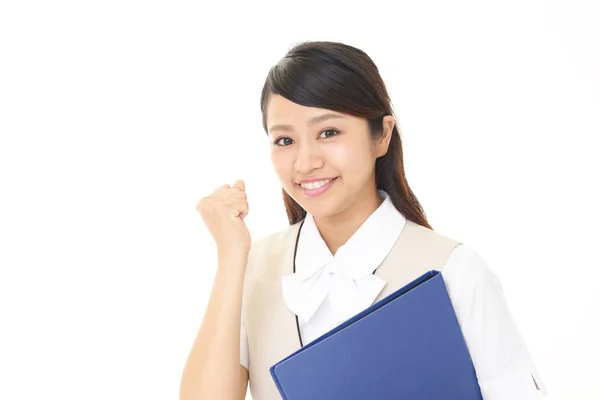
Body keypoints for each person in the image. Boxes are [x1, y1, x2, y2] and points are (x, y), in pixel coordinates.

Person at [179, 41, 547, 400]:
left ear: (382, 135)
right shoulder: (255, 267)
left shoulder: (454, 268)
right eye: (285, 140)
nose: (305, 162)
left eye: (329, 132)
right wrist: (231, 257)